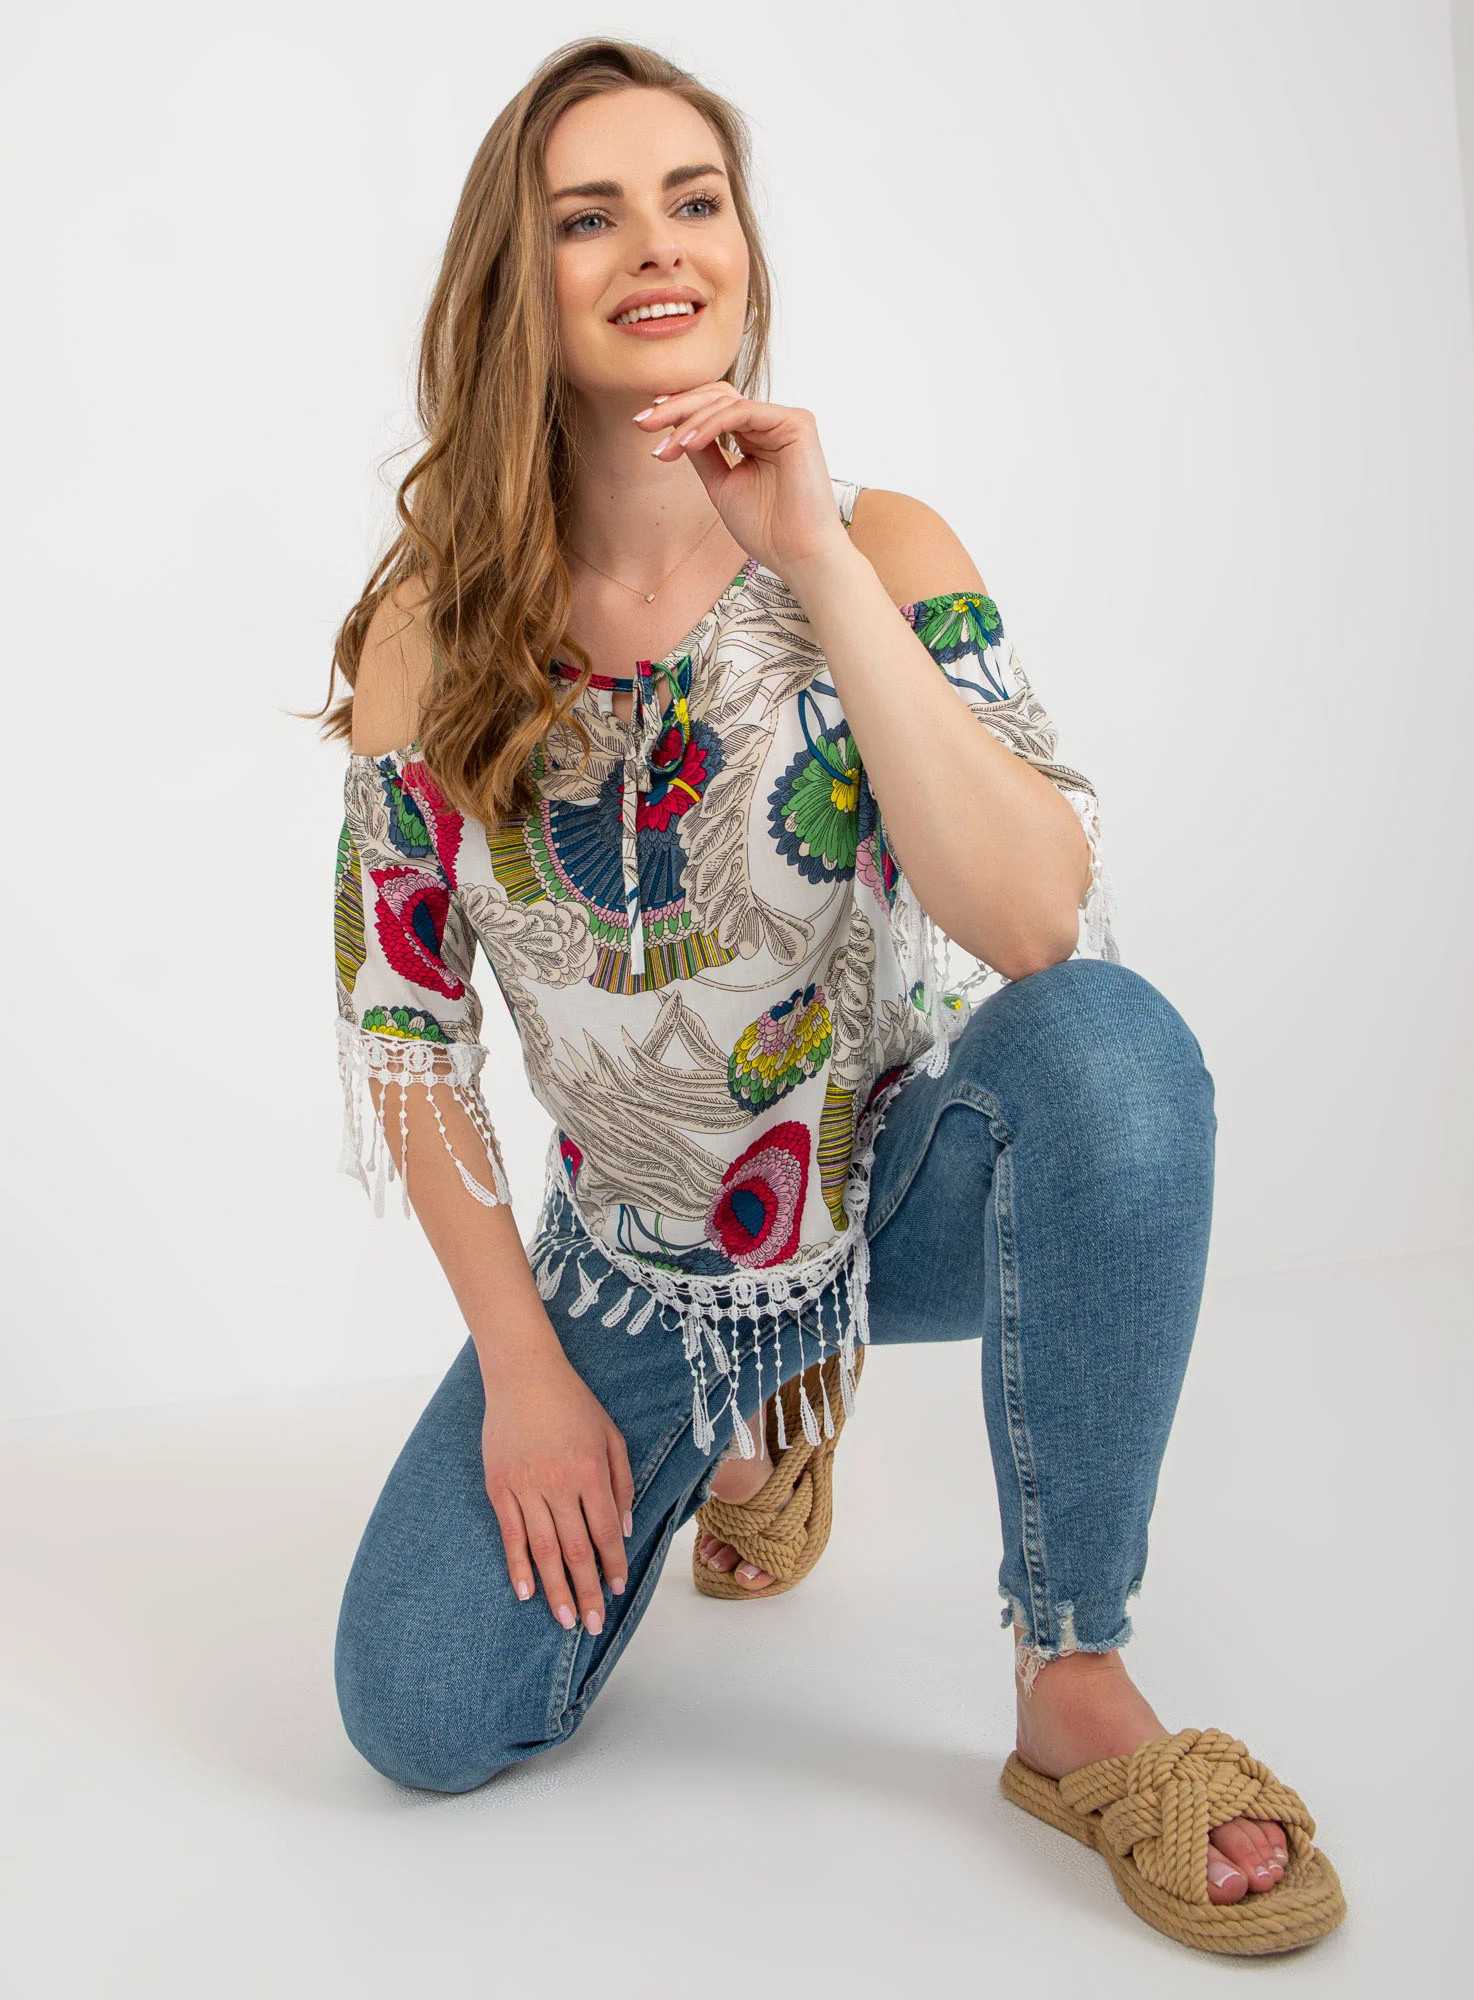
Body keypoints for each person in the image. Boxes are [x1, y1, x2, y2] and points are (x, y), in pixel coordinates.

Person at [314, 36, 1344, 1956]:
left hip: (886, 1199)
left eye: (693, 199)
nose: (658, 245)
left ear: (742, 243)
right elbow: (407, 1037)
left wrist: (813, 564)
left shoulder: (882, 545)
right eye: (590, 216)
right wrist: (527, 1371)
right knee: (418, 1707)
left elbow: (1034, 921)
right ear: (517, 281)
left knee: (1114, 1055)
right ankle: (748, 1411)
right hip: (631, 1272)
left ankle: (1075, 1673)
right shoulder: (427, 632)